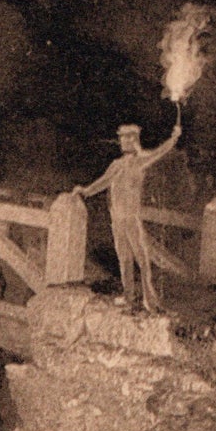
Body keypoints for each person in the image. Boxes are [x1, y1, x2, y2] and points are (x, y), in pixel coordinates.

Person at [73, 117, 183, 312]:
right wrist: (85, 191)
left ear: (134, 139)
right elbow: (102, 182)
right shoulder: (116, 164)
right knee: (124, 258)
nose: (122, 141)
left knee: (142, 258)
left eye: (126, 137)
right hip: (117, 220)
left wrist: (174, 138)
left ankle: (149, 299)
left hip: (132, 219)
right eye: (121, 137)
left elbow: (159, 152)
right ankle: (128, 296)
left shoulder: (141, 161)